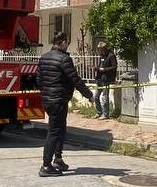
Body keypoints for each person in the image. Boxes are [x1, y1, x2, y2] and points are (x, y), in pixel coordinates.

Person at [37, 32, 92, 177]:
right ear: (62, 42)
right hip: (58, 100)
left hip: (48, 99)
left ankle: (58, 159)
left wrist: (46, 92)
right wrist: (89, 95)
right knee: (54, 131)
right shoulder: (64, 59)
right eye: (67, 42)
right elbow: (75, 79)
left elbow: (38, 80)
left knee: (61, 129)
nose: (67, 45)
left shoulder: (44, 58)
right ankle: (46, 166)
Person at [94, 41, 118, 119]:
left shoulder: (111, 56)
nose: (100, 50)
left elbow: (114, 67)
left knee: (104, 97)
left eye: (101, 49)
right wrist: (96, 68)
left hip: (106, 79)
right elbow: (100, 65)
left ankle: (105, 114)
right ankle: (99, 112)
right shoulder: (102, 56)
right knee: (96, 96)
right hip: (99, 79)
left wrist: (104, 69)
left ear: (105, 48)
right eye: (99, 49)